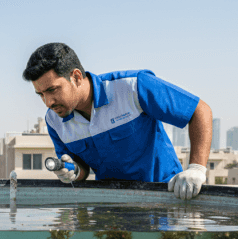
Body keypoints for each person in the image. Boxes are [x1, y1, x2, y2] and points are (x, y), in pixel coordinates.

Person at [22, 42, 212, 200]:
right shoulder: (54, 120)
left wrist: (196, 168)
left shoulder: (132, 87)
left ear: (77, 77)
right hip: (110, 206)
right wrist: (72, 172)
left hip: (164, 199)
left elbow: (199, 110)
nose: (48, 102)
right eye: (40, 94)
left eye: (52, 90)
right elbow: (81, 170)